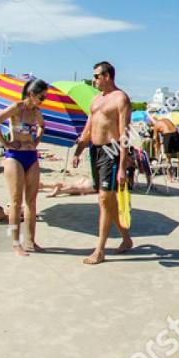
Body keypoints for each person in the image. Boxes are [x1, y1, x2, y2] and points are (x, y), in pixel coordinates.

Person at [72, 61, 133, 264]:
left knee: (104, 200)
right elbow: (88, 128)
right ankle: (126, 239)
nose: (94, 79)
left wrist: (123, 166)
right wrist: (79, 150)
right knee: (107, 201)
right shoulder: (95, 100)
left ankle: (99, 250)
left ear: (107, 76)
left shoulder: (121, 98)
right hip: (95, 150)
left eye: (97, 76)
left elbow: (125, 134)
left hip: (111, 150)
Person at [0, 77, 48, 256]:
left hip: (31, 155)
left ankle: (31, 241)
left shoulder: (36, 111)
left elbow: (42, 126)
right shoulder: (17, 107)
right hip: (15, 155)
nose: (42, 100)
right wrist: (5, 143)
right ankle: (15, 243)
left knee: (31, 201)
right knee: (16, 201)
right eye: (41, 97)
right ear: (31, 94)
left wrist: (37, 140)